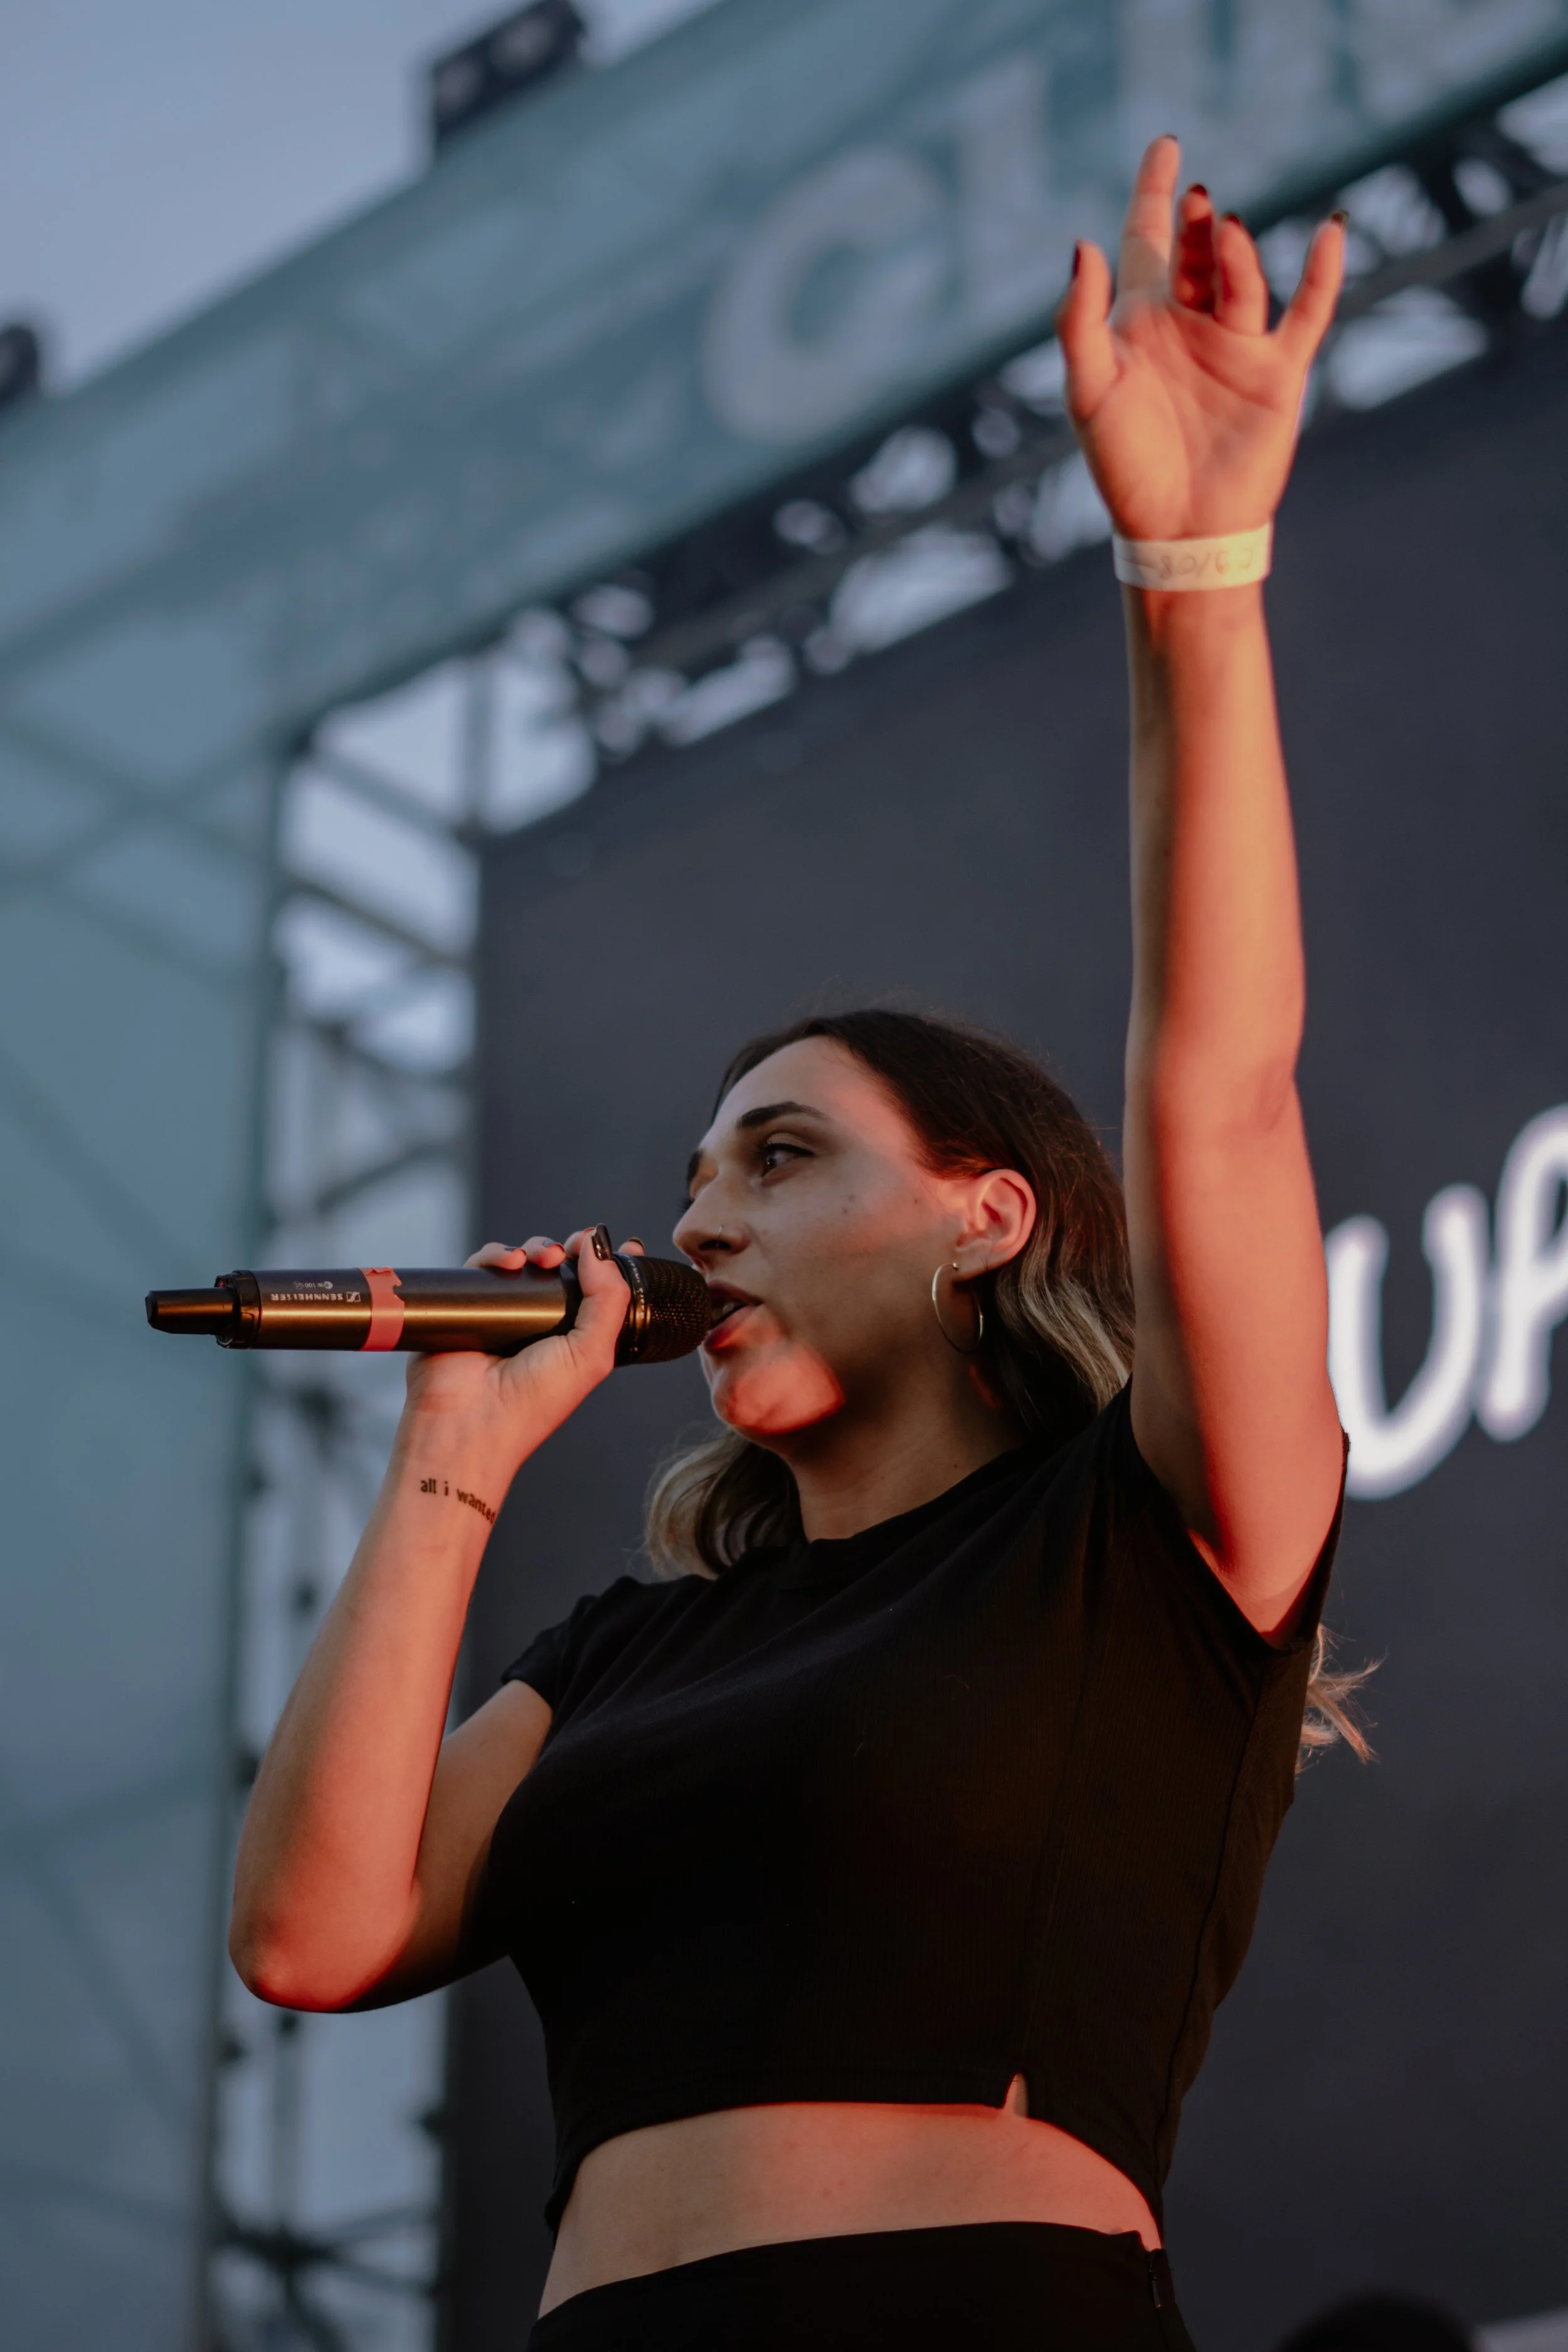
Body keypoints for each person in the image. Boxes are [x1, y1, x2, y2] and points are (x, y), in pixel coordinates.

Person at [230, 140, 1362, 2349]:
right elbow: (314, 1934)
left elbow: (1219, 1082)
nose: (696, 1218)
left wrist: (1190, 557)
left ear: (982, 1214)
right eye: (691, 1177)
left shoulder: (1136, 1539)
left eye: (772, 1156)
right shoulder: (630, 1649)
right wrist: (454, 1447)